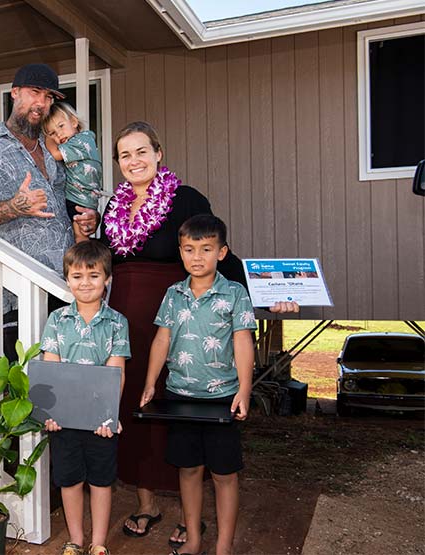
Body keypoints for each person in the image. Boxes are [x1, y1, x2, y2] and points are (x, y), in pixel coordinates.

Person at [98, 121, 298, 547]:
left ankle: (191, 519)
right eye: (124, 155)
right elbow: (102, 262)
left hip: (180, 322)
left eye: (141, 152)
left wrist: (272, 293)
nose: (133, 161)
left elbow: (213, 252)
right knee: (134, 407)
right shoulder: (112, 206)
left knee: (180, 415)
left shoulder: (185, 198)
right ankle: (146, 501)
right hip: (125, 323)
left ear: (158, 153)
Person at [0, 63, 99, 357]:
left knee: (66, 378)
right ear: (15, 93)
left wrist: (89, 218)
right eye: (35, 92)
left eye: (49, 97)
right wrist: (15, 206)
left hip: (67, 284)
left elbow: (73, 197)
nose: (43, 103)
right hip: (20, 289)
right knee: (25, 382)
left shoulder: (54, 145)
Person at [140, 214, 256, 555]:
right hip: (180, 397)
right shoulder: (173, 294)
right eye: (189, 249)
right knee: (188, 469)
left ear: (222, 252)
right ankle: (193, 539)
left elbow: (243, 342)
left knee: (224, 474)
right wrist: (150, 383)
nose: (197, 257)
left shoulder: (234, 293)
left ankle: (223, 546)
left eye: (206, 249)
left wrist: (244, 391)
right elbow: (162, 339)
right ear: (180, 252)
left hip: (224, 399)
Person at [39, 240, 130, 555]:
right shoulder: (56, 320)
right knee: (69, 479)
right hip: (63, 419)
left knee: (102, 481)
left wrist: (108, 415)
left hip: (100, 421)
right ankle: (75, 540)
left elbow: (116, 372)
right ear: (67, 279)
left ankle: (98, 543)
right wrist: (50, 412)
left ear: (107, 279)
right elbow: (51, 371)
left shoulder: (117, 323)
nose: (85, 283)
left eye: (93, 275)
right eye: (77, 276)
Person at [43, 102, 103, 243]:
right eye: (53, 133)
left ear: (74, 122)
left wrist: (48, 138)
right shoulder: (82, 140)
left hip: (79, 198)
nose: (59, 134)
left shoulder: (80, 141)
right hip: (82, 197)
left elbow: (56, 154)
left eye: (61, 126)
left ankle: (83, 263)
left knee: (80, 238)